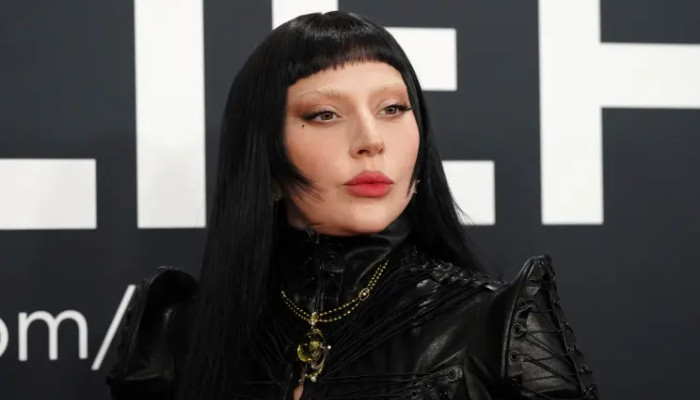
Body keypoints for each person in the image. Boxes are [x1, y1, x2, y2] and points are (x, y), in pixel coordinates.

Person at [106, 10, 598, 400]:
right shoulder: (178, 330)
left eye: (392, 109)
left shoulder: (497, 326)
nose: (371, 140)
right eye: (325, 114)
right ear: (265, 157)